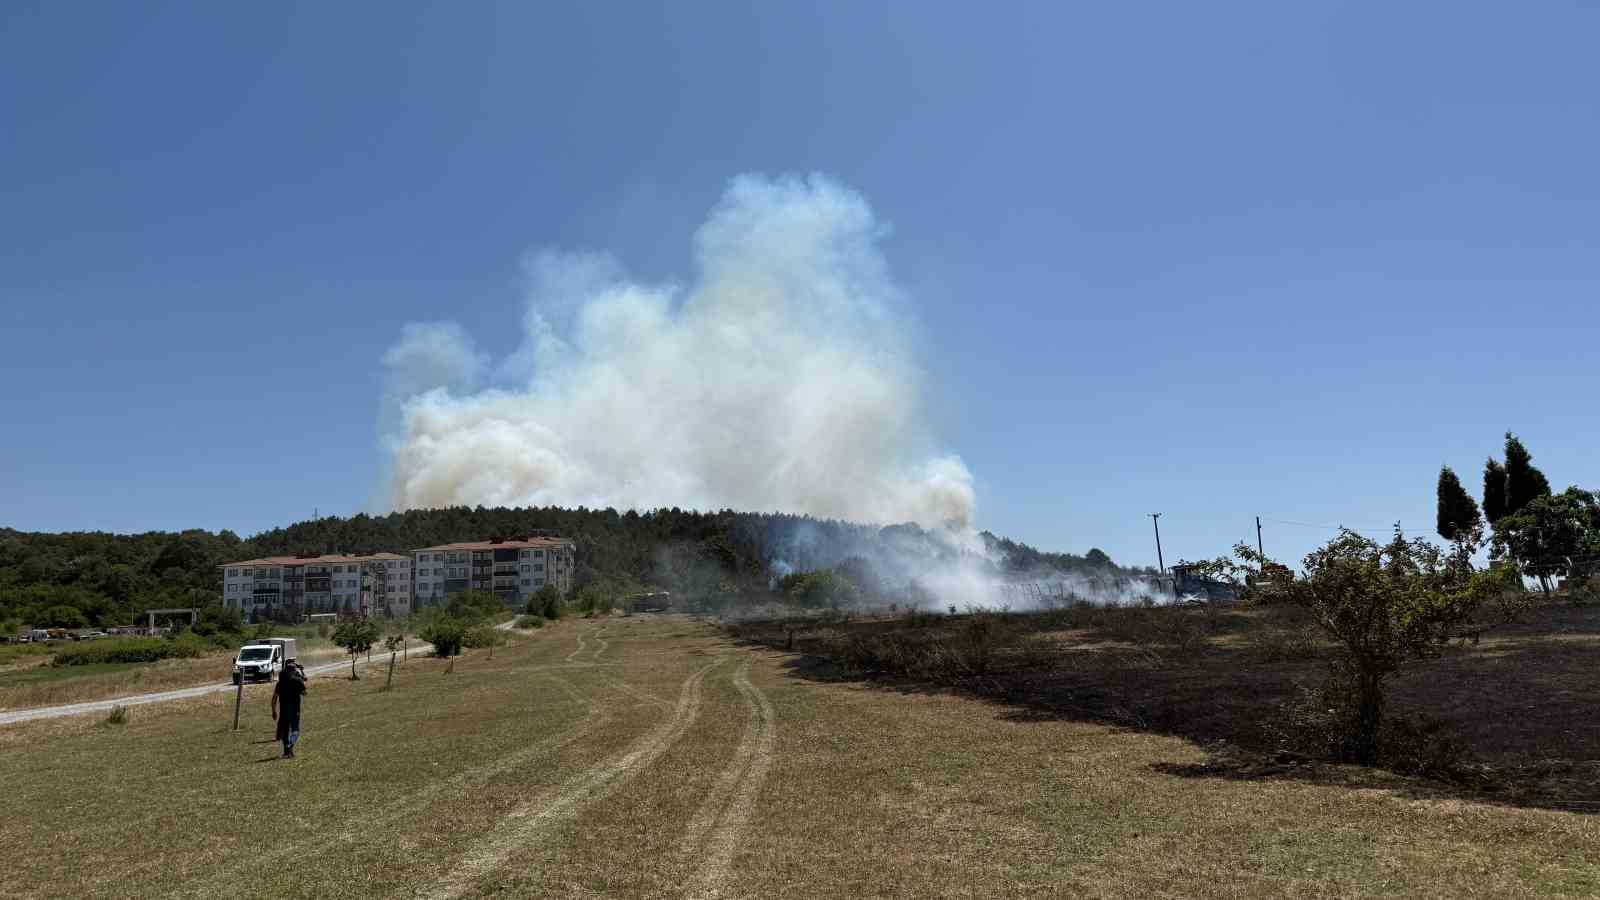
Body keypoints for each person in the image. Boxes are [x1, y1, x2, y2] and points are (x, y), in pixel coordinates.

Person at [270, 656, 308, 758]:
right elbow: (305, 693)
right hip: (295, 710)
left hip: (283, 710)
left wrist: (273, 711)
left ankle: (286, 751)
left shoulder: (280, 683)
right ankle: (290, 747)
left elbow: (274, 698)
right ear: (294, 670)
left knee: (285, 731)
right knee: (295, 730)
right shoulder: (298, 681)